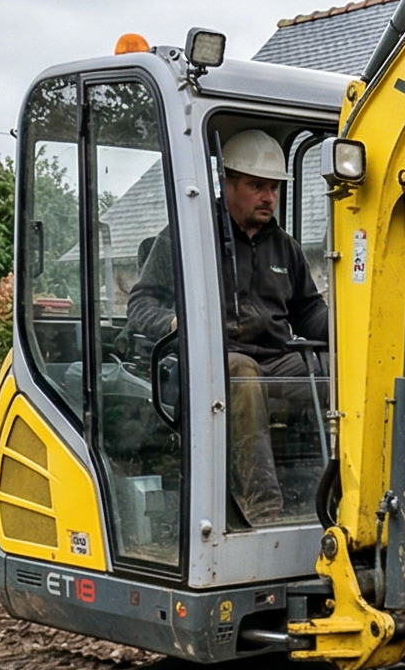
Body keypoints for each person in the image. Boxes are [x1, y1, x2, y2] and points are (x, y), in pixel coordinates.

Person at [129, 129, 328, 525]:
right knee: (241, 373)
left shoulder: (284, 247)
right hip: (211, 363)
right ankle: (264, 507)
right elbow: (140, 304)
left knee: (339, 372)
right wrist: (175, 322)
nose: (268, 197)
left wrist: (350, 329)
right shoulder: (186, 238)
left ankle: (334, 494)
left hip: (276, 359)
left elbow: (308, 310)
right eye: (257, 186)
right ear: (226, 182)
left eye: (273, 188)